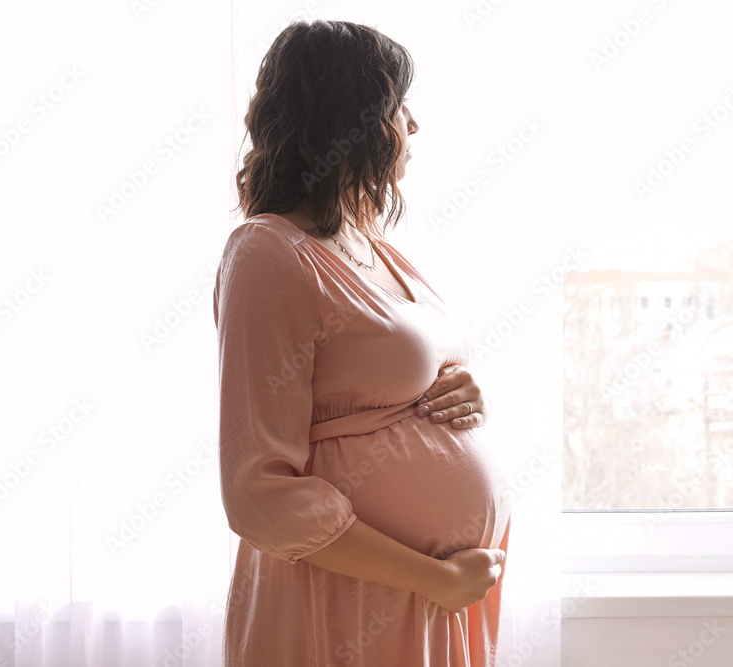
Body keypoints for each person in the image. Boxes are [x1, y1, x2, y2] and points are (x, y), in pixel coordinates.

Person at [213, 19, 512, 666]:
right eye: (399, 106)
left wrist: (467, 389)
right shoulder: (268, 253)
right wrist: (437, 577)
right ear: (351, 118)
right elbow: (257, 491)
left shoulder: (376, 248)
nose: (413, 125)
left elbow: (389, 384)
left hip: (422, 604)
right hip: (342, 603)